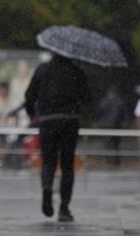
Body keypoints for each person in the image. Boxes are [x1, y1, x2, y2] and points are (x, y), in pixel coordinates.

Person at [24, 54, 90, 222]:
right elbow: (88, 98)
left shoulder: (42, 70)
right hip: (69, 121)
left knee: (48, 161)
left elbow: (29, 96)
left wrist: (33, 115)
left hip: (47, 121)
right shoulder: (76, 71)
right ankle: (64, 208)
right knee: (67, 165)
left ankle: (47, 187)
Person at [95, 87, 127, 167]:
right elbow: (123, 115)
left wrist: (99, 122)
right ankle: (115, 162)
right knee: (115, 145)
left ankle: (109, 161)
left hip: (107, 126)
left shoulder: (104, 102)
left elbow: (98, 113)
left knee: (108, 144)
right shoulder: (119, 102)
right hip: (115, 126)